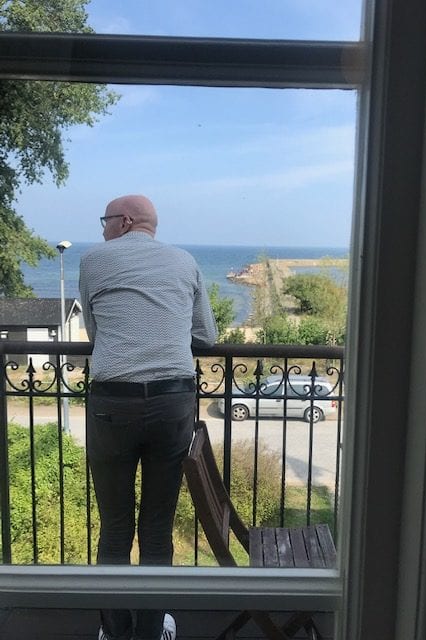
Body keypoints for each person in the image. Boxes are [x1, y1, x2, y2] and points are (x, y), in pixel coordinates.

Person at [79, 195, 218, 640]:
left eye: (105, 221)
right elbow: (207, 336)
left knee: (115, 526)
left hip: (112, 404)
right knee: (157, 527)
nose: (102, 230)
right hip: (171, 402)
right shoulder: (185, 261)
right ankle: (152, 631)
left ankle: (114, 631)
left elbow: (96, 333)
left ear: (124, 221)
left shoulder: (93, 260)